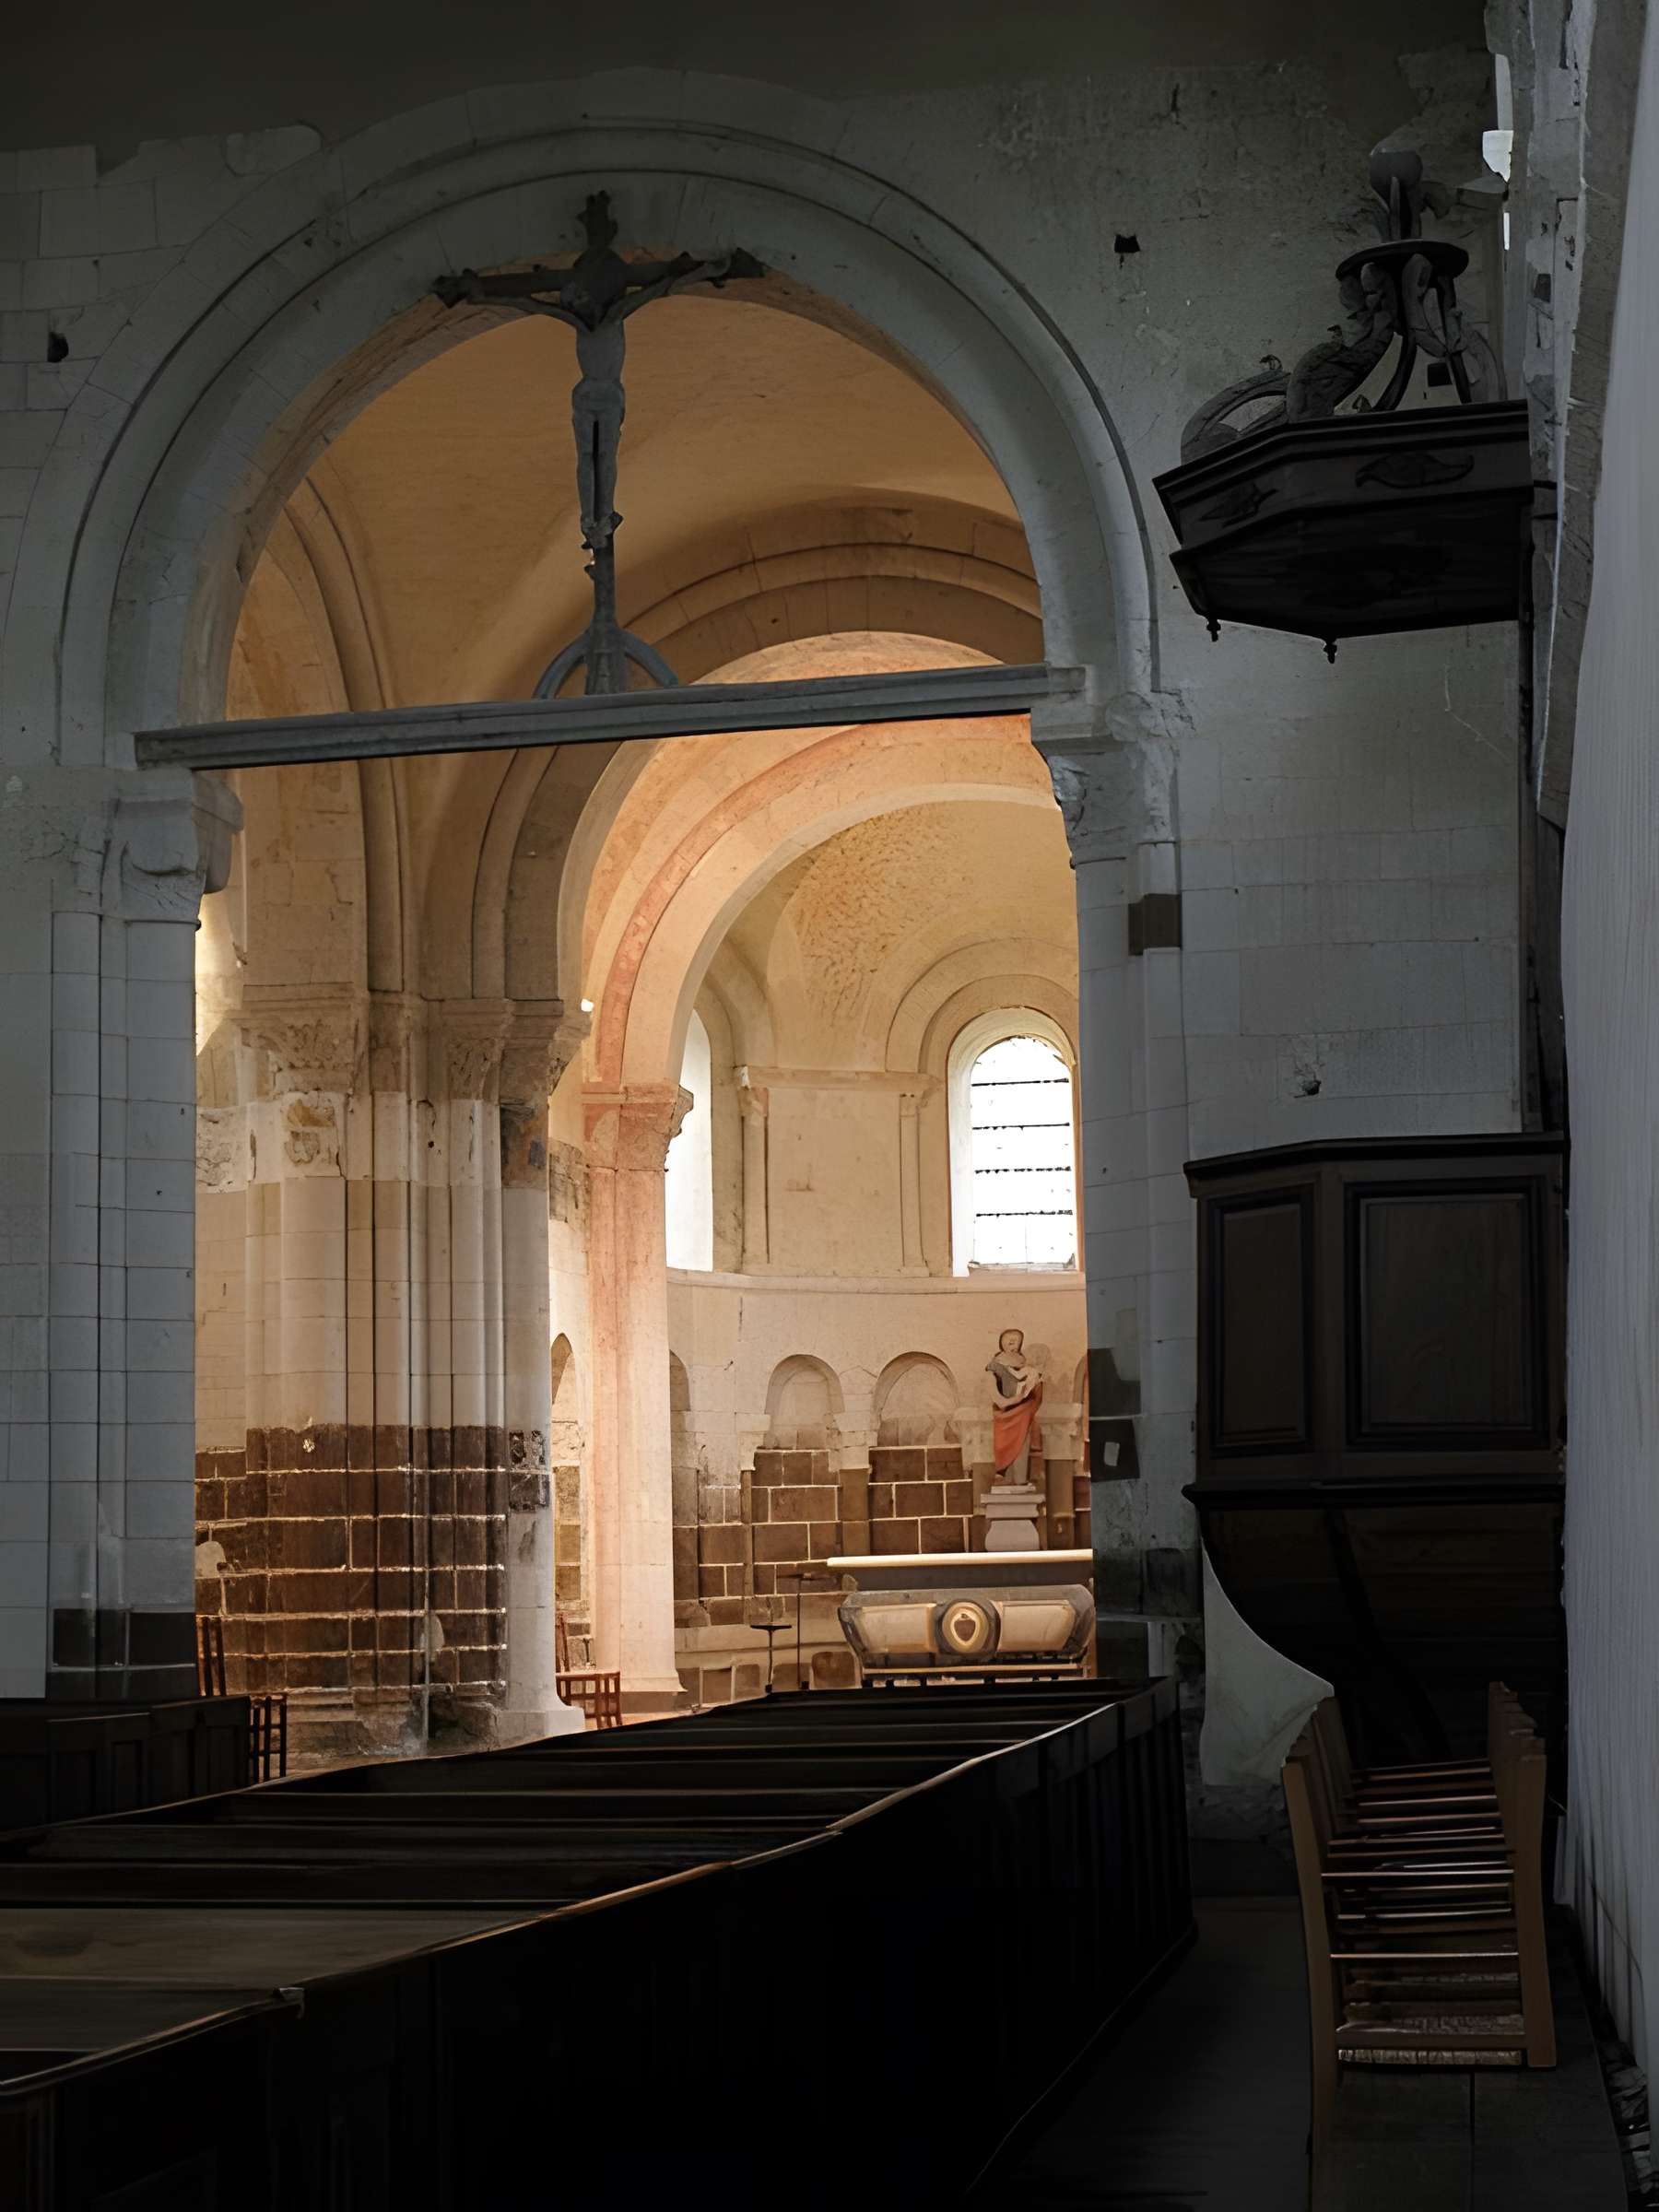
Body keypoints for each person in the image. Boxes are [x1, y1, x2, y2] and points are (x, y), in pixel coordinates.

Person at [987, 1327, 1043, 1487]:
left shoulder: (1026, 1367)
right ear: (1002, 1344)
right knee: (1005, 1446)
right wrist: (1018, 1398)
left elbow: (1032, 1388)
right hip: (1005, 1416)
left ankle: (1020, 1480)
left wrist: (1034, 1389)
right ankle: (1005, 1475)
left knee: (1022, 1445)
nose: (1014, 1345)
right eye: (1010, 1341)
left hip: (1024, 1413)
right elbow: (999, 1401)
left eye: (1017, 1342)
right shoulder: (994, 1368)